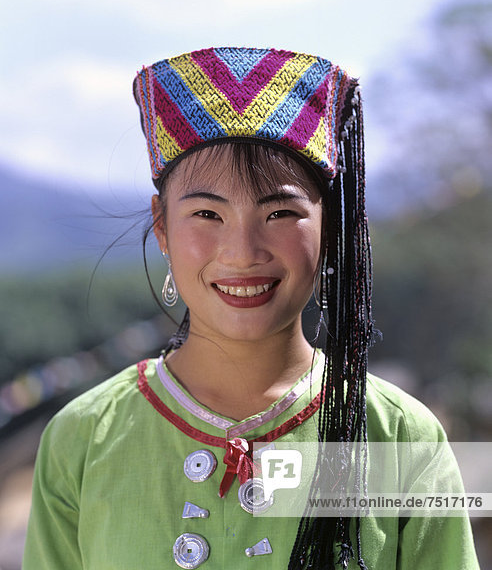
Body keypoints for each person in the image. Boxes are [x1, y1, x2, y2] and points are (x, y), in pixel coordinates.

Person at [23, 47, 480, 569]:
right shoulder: (83, 438)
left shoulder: (398, 437)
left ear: (330, 225)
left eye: (280, 211)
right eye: (206, 213)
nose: (243, 252)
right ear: (162, 225)